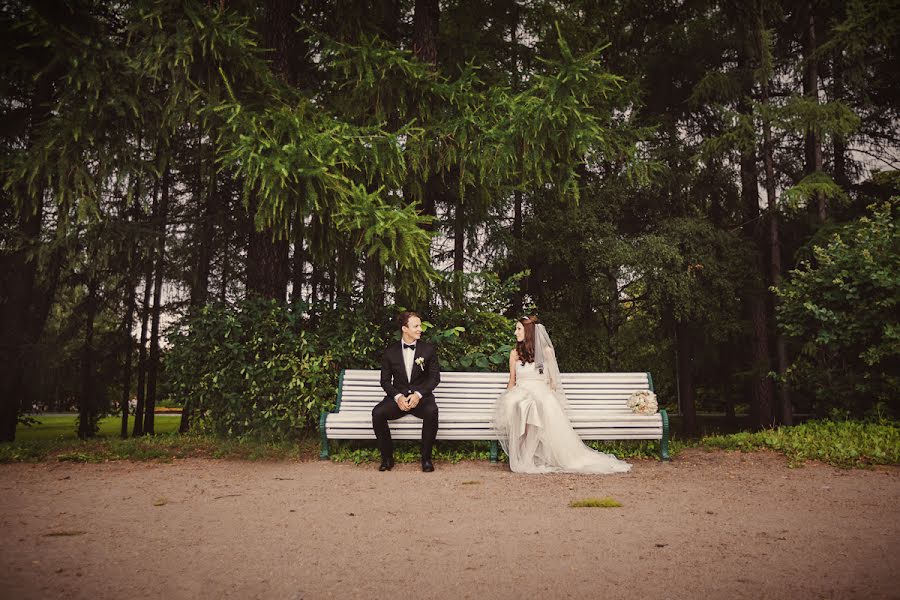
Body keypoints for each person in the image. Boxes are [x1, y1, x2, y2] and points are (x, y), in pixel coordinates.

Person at [492, 316, 632, 474]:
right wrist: (506, 399)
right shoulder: (514, 354)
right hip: (521, 391)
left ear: (529, 332)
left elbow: (553, 382)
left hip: (540, 392)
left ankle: (528, 458)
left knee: (535, 406)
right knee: (520, 405)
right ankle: (524, 457)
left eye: (518, 329)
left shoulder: (546, 352)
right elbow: (512, 380)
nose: (515, 332)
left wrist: (543, 393)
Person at [372, 311, 441, 472]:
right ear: (405, 328)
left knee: (432, 412)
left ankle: (426, 459)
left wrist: (418, 394)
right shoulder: (390, 352)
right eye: (416, 326)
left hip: (421, 399)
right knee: (378, 413)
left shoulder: (428, 350)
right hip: (399, 398)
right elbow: (385, 381)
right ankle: (387, 458)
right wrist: (397, 397)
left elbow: (434, 378)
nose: (420, 329)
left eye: (420, 325)